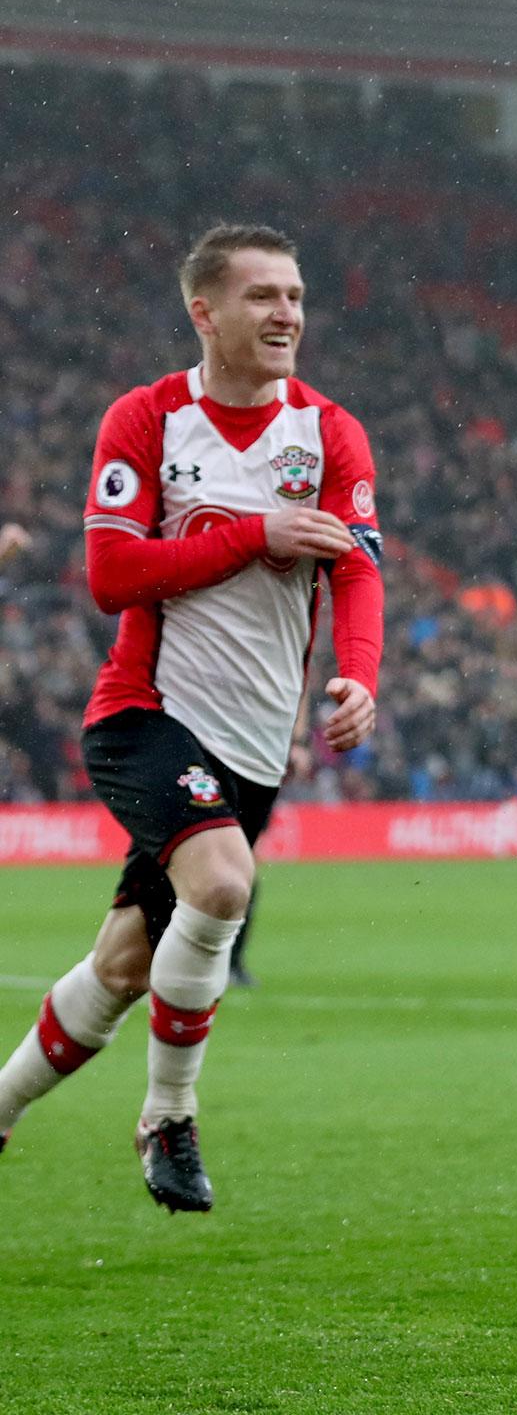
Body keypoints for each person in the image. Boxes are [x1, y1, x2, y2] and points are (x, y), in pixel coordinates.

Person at [0, 225, 384, 1208]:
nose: (287, 313)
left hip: (255, 748)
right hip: (147, 712)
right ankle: (168, 1116)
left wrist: (357, 674)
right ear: (203, 312)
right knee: (222, 885)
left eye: (295, 295)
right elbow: (110, 575)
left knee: (125, 965)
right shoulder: (149, 419)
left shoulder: (330, 433)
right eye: (262, 296)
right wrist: (257, 535)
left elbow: (357, 567)